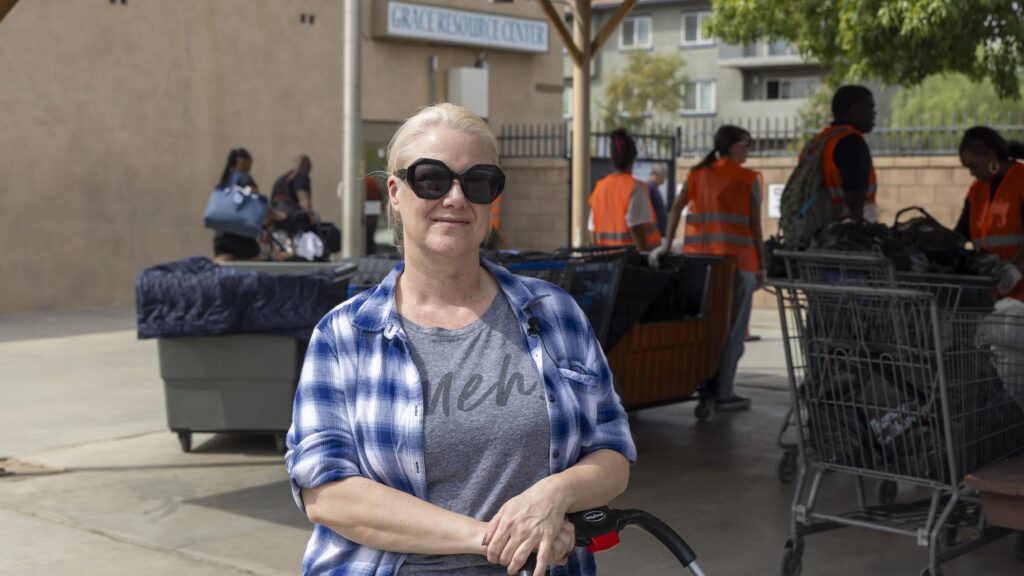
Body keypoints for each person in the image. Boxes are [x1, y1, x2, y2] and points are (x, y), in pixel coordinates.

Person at [285, 103, 636, 576]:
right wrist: (491, 537)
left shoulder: (555, 314)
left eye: (477, 182)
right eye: (432, 179)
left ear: (493, 198)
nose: (455, 197)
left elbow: (612, 453)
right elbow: (327, 494)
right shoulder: (344, 336)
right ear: (395, 191)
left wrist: (555, 495)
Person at [648, 125, 764, 412]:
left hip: (700, 267)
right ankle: (724, 392)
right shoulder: (748, 179)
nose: (748, 151)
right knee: (733, 330)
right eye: (745, 145)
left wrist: (666, 243)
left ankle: (704, 386)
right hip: (738, 265)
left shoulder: (697, 176)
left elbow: (675, 208)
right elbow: (755, 227)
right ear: (731, 147)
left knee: (706, 328)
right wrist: (762, 265)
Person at [954, 126, 1024, 298]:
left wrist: (1013, 272)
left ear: (992, 157)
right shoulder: (976, 191)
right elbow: (959, 236)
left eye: (974, 166)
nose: (972, 173)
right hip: (993, 295)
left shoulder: (1021, 181)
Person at [803, 85, 879, 239]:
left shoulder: (819, 142)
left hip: (812, 230)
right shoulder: (852, 142)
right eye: (870, 107)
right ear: (855, 109)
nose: (873, 114)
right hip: (841, 236)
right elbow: (855, 198)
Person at [588, 129, 662, 250]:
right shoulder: (636, 188)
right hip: (629, 263)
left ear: (612, 157)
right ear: (634, 157)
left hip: (606, 263)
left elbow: (592, 230)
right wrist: (644, 258)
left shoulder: (599, 188)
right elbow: (636, 229)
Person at [212, 148, 262, 262]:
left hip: (221, 235)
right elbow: (254, 195)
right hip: (240, 233)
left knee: (223, 274)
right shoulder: (244, 177)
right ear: (243, 162)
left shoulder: (224, 182)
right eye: (249, 165)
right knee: (255, 272)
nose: (250, 168)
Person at [271, 154, 317, 235]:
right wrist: (311, 217)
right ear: (306, 165)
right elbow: (303, 197)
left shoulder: (280, 180)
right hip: (291, 219)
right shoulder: (301, 176)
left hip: (277, 220)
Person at [645, 164, 669, 237]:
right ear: (656, 174)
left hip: (660, 233)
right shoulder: (649, 188)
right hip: (655, 234)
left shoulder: (654, 188)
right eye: (663, 176)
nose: (664, 179)